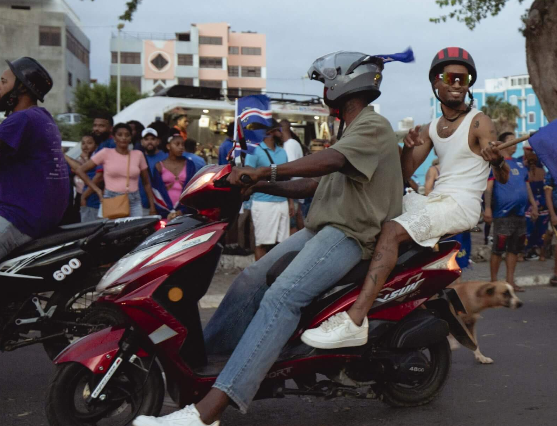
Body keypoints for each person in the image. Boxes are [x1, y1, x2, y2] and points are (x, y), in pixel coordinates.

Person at [133, 51, 402, 426]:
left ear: (344, 85)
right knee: (250, 280)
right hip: (319, 229)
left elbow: (330, 163)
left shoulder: (372, 126)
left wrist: (263, 172)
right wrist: (254, 183)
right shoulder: (350, 131)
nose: (324, 90)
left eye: (326, 83)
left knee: (281, 298)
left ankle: (208, 413)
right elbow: (313, 182)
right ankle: (203, 377)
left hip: (349, 235)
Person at [302, 46, 507, 349]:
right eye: (449, 77)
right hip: (433, 200)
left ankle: (355, 320)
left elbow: (503, 177)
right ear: (435, 83)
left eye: (463, 79)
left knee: (391, 231)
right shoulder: (432, 128)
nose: (456, 83)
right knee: (378, 215)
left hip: (460, 205)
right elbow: (402, 172)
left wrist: (497, 159)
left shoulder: (479, 122)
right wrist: (408, 147)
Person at [0, 57, 71, 278]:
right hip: (36, 218)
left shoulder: (22, 119)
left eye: (3, 81)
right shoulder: (42, 118)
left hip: (12, 219)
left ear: (21, 87)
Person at [77, 123, 157, 218]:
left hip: (134, 200)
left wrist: (152, 207)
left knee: (135, 230)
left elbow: (146, 183)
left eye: (127, 135)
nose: (123, 138)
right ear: (114, 138)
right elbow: (80, 170)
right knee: (110, 231)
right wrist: (97, 190)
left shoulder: (138, 155)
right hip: (111, 198)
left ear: (130, 138)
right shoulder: (106, 153)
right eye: (120, 135)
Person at [485, 131, 532, 292]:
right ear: (502, 143)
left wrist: (533, 205)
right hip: (502, 214)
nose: (515, 143)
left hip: (519, 214)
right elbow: (489, 188)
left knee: (514, 249)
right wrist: (488, 209)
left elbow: (527, 186)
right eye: (511, 141)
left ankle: (510, 281)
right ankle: (493, 283)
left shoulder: (520, 164)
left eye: (516, 140)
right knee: (498, 249)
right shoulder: (496, 163)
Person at [245, 121, 289, 260]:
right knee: (262, 244)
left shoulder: (283, 152)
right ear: (270, 133)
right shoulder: (254, 151)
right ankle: (260, 278)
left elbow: (286, 179)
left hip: (282, 202)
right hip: (263, 203)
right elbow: (247, 176)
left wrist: (291, 202)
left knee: (282, 245)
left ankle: (275, 277)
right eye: (279, 130)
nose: (282, 133)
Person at [153, 133, 198, 219]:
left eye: (183, 145)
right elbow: (157, 191)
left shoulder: (190, 164)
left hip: (184, 211)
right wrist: (168, 211)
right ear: (168, 146)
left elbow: (192, 189)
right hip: (164, 211)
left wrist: (183, 210)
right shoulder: (159, 166)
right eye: (177, 144)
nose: (181, 147)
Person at [523, 145, 547, 260]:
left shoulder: (525, 173)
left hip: (529, 205)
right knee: (541, 231)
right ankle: (542, 255)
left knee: (528, 230)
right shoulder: (542, 172)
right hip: (543, 204)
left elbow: (527, 191)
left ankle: (522, 254)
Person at [138, 127, 169, 212]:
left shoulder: (166, 157)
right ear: (142, 142)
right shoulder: (137, 157)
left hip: (163, 204)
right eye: (146, 139)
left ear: (158, 141)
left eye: (153, 139)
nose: (149, 142)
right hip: (142, 204)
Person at [76, 134, 101, 222]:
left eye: (89, 143)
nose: (85, 146)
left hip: (94, 202)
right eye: (83, 143)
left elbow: (98, 179)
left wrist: (84, 196)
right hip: (89, 201)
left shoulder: (97, 159)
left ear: (96, 145)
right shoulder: (85, 158)